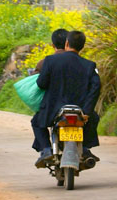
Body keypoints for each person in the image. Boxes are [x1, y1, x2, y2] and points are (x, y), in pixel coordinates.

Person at [32, 30, 101, 168]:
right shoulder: (89, 65)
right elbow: (95, 88)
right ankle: (85, 149)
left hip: (53, 110)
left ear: (67, 43)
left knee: (36, 122)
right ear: (82, 46)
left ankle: (46, 150)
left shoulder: (50, 61)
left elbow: (41, 84)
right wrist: (86, 111)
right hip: (80, 110)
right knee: (94, 118)